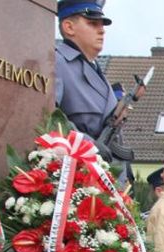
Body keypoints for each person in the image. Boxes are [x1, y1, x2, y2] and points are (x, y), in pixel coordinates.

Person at [54, 2, 116, 151]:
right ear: (69, 27)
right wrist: (88, 145)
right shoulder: (56, 62)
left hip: (109, 169)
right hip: (81, 167)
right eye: (93, 23)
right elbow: (50, 117)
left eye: (102, 25)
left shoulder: (96, 70)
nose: (101, 31)